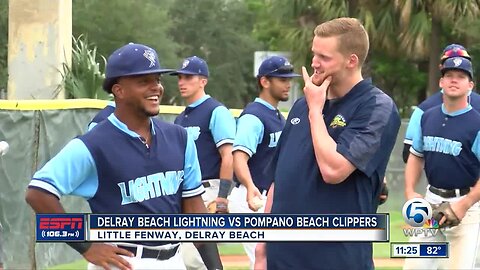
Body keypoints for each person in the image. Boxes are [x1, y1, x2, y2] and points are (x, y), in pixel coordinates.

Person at [25, 43, 222, 270]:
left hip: (173, 260)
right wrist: (86, 246)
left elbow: (194, 209)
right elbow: (38, 193)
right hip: (124, 260)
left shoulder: (180, 138)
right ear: (119, 90)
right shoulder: (94, 144)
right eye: (143, 81)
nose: (156, 87)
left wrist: (215, 267)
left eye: (157, 80)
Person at [255, 17, 401, 269]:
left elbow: (333, 170)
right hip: (283, 257)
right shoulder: (301, 106)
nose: (314, 63)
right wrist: (262, 247)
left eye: (324, 57)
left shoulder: (376, 107)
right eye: (314, 54)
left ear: (351, 61)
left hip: (336, 258)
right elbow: (279, 179)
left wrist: (315, 110)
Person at [403, 57, 480, 269]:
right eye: (449, 76)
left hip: (467, 204)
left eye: (461, 77)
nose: (454, 80)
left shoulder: (477, 123)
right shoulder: (427, 117)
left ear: (470, 86)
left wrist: (465, 204)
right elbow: (416, 155)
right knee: (415, 266)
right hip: (431, 203)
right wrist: (410, 191)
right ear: (441, 82)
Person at [228, 55, 299, 268]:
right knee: (265, 261)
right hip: (251, 198)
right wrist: (250, 187)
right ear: (265, 81)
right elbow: (239, 157)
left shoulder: (277, 115)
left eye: (289, 79)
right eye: (282, 79)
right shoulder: (254, 117)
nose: (288, 84)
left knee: (275, 260)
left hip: (266, 199)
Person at [170, 56, 236, 270]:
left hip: (210, 190)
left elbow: (228, 155)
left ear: (203, 81)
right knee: (182, 257)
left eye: (188, 77)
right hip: (186, 193)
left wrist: (223, 196)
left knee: (195, 259)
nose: (182, 81)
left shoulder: (216, 111)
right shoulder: (180, 119)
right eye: (179, 77)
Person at [403, 44, 480, 163]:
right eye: (450, 63)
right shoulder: (424, 110)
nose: (456, 65)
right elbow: (408, 154)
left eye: (462, 64)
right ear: (441, 68)